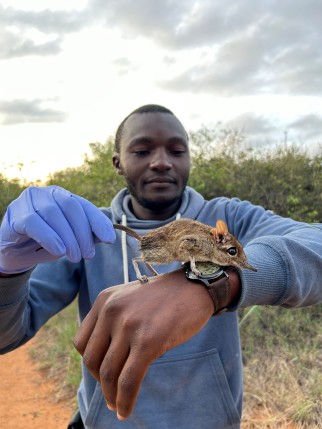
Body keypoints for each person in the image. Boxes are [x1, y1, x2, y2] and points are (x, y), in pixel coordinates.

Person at [0, 104, 321, 429]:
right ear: (118, 163)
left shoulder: (226, 217)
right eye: (142, 150)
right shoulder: (87, 231)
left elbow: (315, 244)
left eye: (177, 150)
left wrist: (213, 287)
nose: (161, 161)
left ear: (189, 159)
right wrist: (7, 270)